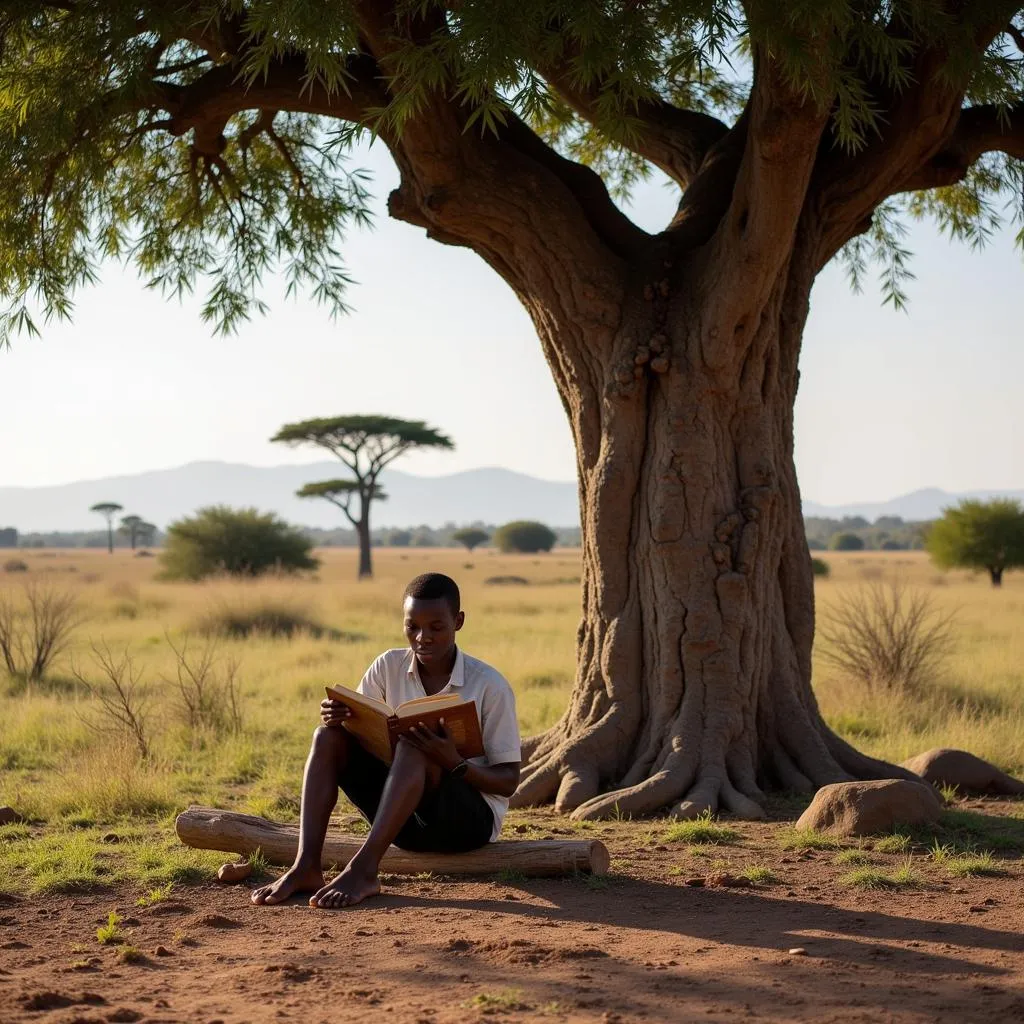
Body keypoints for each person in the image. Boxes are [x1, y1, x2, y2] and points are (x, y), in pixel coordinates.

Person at [251, 572, 522, 909]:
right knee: (328, 737)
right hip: (400, 821)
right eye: (413, 627)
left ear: (459, 621)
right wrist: (343, 719)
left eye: (436, 627)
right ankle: (306, 865)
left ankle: (364, 870)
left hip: (465, 827)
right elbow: (364, 737)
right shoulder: (387, 666)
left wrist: (453, 762)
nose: (423, 637)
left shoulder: (489, 686)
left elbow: (509, 781)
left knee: (416, 744)